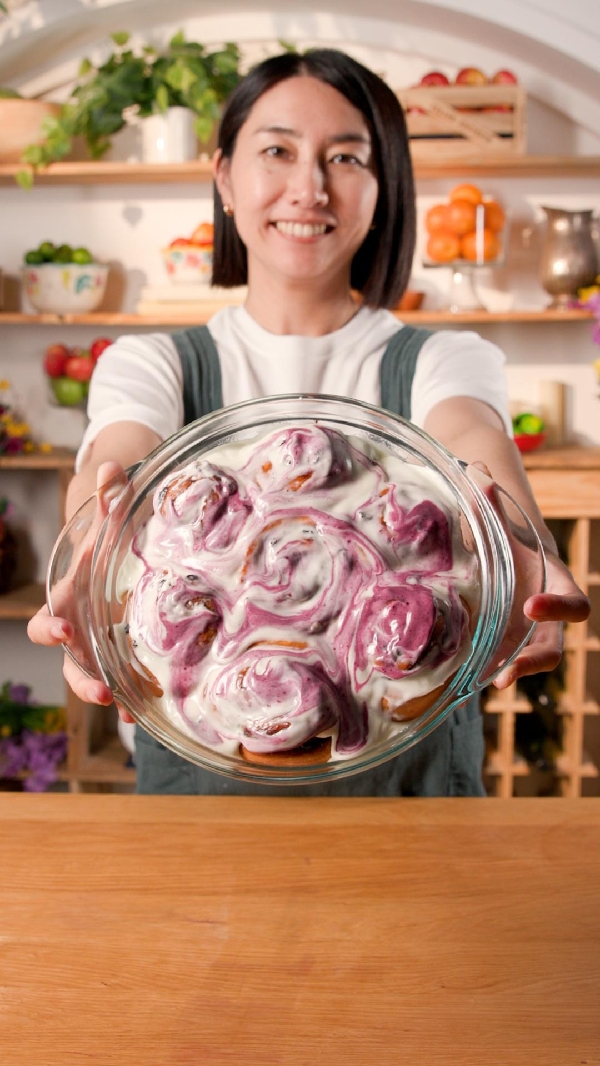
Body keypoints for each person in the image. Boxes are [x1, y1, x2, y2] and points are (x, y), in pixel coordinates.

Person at [28, 48, 589, 796]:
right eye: (278, 151)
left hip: (410, 794)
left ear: (383, 187)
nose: (309, 187)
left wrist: (523, 546)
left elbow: (480, 456)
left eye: (347, 158)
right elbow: (117, 466)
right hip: (202, 791)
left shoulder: (443, 359)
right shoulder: (151, 362)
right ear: (225, 177)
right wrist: (89, 560)